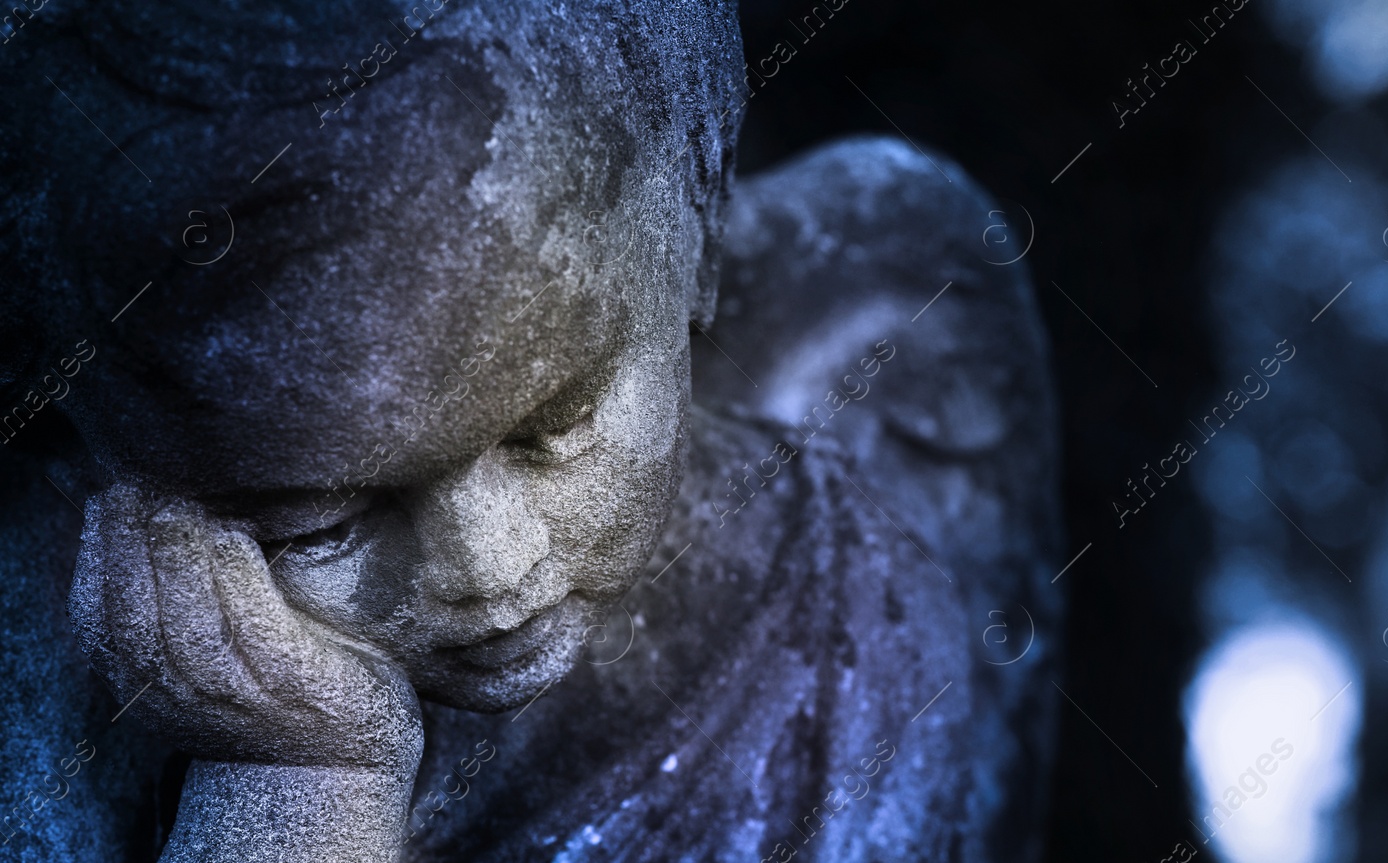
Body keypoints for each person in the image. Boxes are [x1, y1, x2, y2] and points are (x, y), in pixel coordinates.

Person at [0, 2, 1060, 860]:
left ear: (692, 240)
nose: (491, 567)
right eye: (318, 523)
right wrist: (304, 783)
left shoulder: (840, 628)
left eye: (555, 426)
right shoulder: (57, 703)